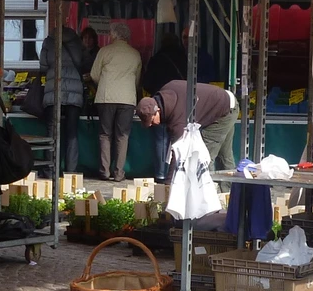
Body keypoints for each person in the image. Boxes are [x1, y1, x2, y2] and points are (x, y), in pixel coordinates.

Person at [137, 81, 239, 172]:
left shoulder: (178, 119)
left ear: (157, 111)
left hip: (223, 110)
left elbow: (178, 155)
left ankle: (210, 191)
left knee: (204, 158)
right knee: (225, 155)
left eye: (151, 120)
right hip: (227, 101)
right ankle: (228, 192)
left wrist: (168, 187)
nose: (151, 124)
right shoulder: (166, 92)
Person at [89, 22, 140, 182]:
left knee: (105, 134)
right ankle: (119, 173)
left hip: (106, 97)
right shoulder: (135, 54)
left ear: (114, 35)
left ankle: (104, 171)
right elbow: (137, 80)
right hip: (127, 99)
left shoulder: (105, 51)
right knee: (122, 136)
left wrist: (104, 83)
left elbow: (94, 75)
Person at [39, 10, 89, 174]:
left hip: (54, 90)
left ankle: (49, 169)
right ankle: (70, 172)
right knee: (72, 132)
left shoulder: (48, 42)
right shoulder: (77, 42)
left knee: (52, 131)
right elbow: (85, 63)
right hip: (75, 93)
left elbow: (43, 66)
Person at [140, 32, 187, 183]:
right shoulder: (184, 58)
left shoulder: (157, 59)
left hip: (159, 103)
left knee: (161, 140)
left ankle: (161, 174)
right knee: (178, 140)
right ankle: (176, 176)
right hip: (180, 104)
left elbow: (147, 82)